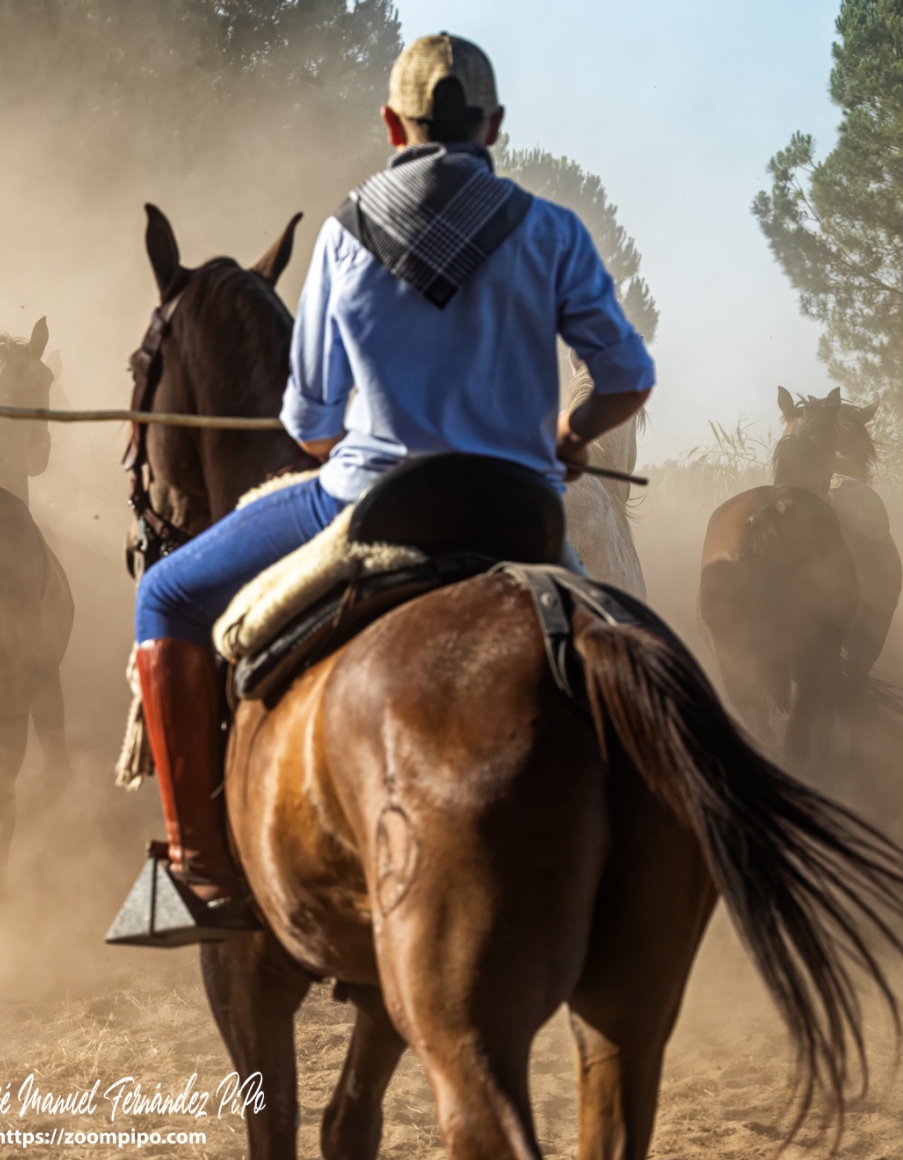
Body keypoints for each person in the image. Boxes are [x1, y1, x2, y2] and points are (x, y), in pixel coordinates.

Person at [125, 33, 656, 938]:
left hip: (368, 504)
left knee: (166, 594)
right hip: (523, 513)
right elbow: (627, 377)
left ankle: (199, 874)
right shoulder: (552, 231)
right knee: (621, 656)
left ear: (390, 124)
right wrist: (568, 438)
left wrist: (367, 427)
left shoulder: (345, 235)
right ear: (493, 125)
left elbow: (308, 422)